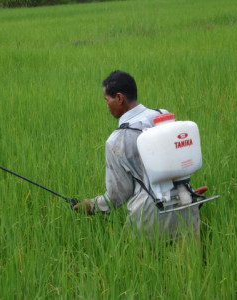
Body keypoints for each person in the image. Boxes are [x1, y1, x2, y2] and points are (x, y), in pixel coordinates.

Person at [73, 70, 200, 239]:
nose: (107, 105)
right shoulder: (163, 116)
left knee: (145, 263)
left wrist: (92, 205)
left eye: (107, 100)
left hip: (149, 216)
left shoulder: (117, 141)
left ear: (119, 98)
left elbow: (117, 195)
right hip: (187, 206)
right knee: (187, 262)